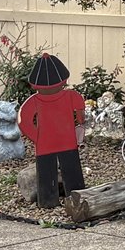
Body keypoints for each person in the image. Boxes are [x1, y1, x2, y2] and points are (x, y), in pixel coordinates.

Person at [18, 53, 87, 208]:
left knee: (47, 172)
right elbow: (80, 113)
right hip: (67, 141)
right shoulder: (71, 95)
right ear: (63, 80)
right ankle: (77, 197)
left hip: (45, 145)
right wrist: (79, 127)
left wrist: (37, 137)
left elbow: (24, 121)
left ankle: (48, 201)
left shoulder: (34, 101)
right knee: (72, 170)